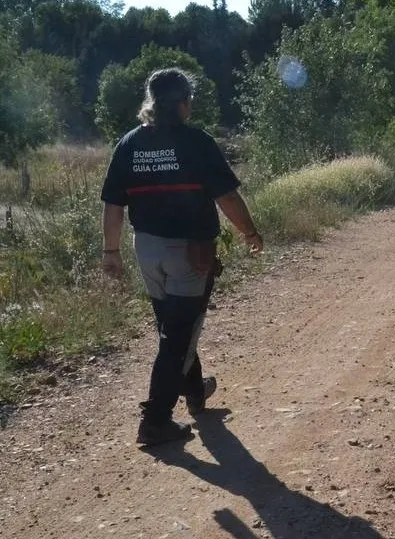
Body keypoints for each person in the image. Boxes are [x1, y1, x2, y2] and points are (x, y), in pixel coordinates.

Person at [100, 68, 263, 447]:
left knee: (174, 326)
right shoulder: (197, 143)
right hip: (188, 252)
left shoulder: (129, 144)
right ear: (184, 103)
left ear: (151, 103)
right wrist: (250, 232)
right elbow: (227, 198)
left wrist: (111, 252)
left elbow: (113, 204)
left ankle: (195, 392)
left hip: (147, 249)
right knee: (177, 336)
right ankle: (156, 419)